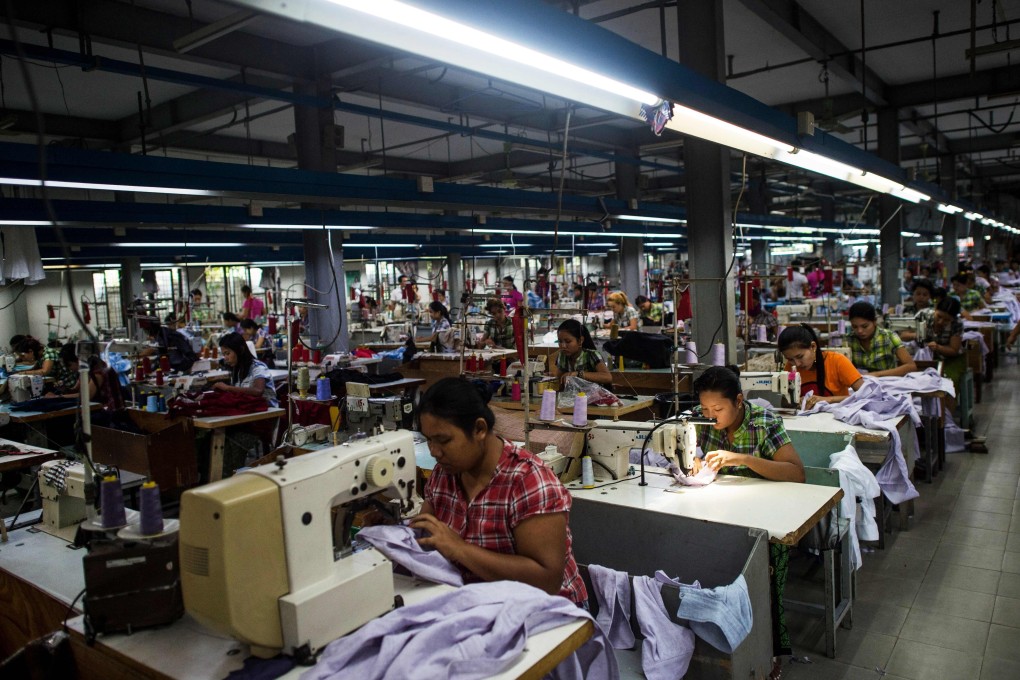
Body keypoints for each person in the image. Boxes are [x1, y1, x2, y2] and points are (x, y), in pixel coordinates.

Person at [411, 377, 587, 605]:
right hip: (479, 603)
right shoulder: (444, 474)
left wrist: (459, 549)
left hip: (549, 614)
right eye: (428, 441)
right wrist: (395, 534)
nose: (434, 451)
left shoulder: (528, 481)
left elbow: (547, 581)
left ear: (479, 429)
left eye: (443, 440)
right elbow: (427, 535)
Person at [689, 366, 804, 664]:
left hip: (764, 517)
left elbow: (796, 474)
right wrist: (694, 460)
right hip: (718, 511)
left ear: (739, 401)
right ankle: (711, 641)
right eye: (704, 408)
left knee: (765, 570)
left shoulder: (765, 423)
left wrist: (741, 459)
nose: (710, 414)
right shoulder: (700, 419)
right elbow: (690, 452)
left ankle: (771, 649)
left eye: (718, 408)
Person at [779, 325, 864, 408]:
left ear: (813, 347)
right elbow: (784, 402)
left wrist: (828, 400)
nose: (797, 364)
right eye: (790, 359)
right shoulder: (791, 367)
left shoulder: (837, 361)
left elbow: (866, 396)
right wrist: (796, 402)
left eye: (800, 357)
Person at [845, 301, 917, 377]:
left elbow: (911, 366)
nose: (859, 331)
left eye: (865, 326)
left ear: (874, 322)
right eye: (855, 327)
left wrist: (875, 375)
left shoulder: (889, 336)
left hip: (886, 383)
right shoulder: (849, 340)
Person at [214, 332, 278, 406]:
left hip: (268, 412)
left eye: (228, 353)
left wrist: (228, 388)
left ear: (241, 350)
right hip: (250, 409)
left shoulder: (258, 367)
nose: (225, 358)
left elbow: (258, 391)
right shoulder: (237, 369)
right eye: (224, 354)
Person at [921, 297, 966, 397]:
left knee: (949, 382)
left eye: (946, 320)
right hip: (927, 358)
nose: (941, 322)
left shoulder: (957, 324)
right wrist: (916, 335)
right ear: (935, 309)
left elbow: (954, 350)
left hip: (951, 359)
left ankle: (946, 412)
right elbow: (904, 335)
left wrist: (938, 348)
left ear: (953, 318)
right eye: (939, 316)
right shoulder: (923, 315)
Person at [550, 319, 612, 387]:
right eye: (560, 341)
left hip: (594, 396)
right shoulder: (562, 355)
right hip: (573, 395)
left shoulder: (591, 355)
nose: (563, 346)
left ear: (580, 341)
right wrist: (551, 377)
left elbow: (607, 377)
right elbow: (560, 379)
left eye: (568, 341)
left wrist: (578, 374)